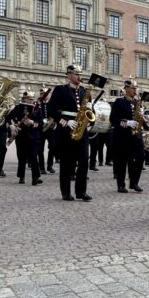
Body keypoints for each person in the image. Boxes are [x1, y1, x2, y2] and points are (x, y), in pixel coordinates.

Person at [47, 64, 92, 201]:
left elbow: (89, 111)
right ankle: (66, 192)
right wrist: (65, 122)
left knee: (84, 161)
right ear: (69, 75)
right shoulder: (60, 90)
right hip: (66, 131)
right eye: (76, 74)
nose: (79, 77)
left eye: (80, 74)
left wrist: (90, 120)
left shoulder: (84, 91)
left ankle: (81, 192)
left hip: (81, 130)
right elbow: (52, 110)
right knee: (67, 163)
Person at [110, 79, 145, 193]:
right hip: (122, 136)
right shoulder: (119, 102)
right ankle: (121, 184)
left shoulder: (137, 102)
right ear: (126, 89)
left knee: (139, 158)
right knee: (121, 161)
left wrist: (144, 120)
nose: (135, 91)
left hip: (136, 135)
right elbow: (113, 119)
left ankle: (134, 182)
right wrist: (127, 123)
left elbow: (139, 118)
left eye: (136, 88)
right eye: (133, 89)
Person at [8, 92, 44, 186]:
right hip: (21, 135)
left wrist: (32, 123)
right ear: (23, 99)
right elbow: (8, 118)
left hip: (34, 136)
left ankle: (35, 177)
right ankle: (21, 176)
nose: (31, 100)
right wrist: (12, 126)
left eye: (32, 99)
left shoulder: (37, 109)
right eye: (28, 99)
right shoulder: (18, 108)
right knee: (22, 156)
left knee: (33, 156)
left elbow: (41, 124)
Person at [37, 88, 56, 174]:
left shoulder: (52, 104)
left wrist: (53, 123)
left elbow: (56, 115)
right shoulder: (38, 104)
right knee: (40, 149)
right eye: (41, 93)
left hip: (50, 128)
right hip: (41, 129)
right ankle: (42, 167)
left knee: (52, 147)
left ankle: (49, 165)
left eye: (44, 93)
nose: (43, 95)